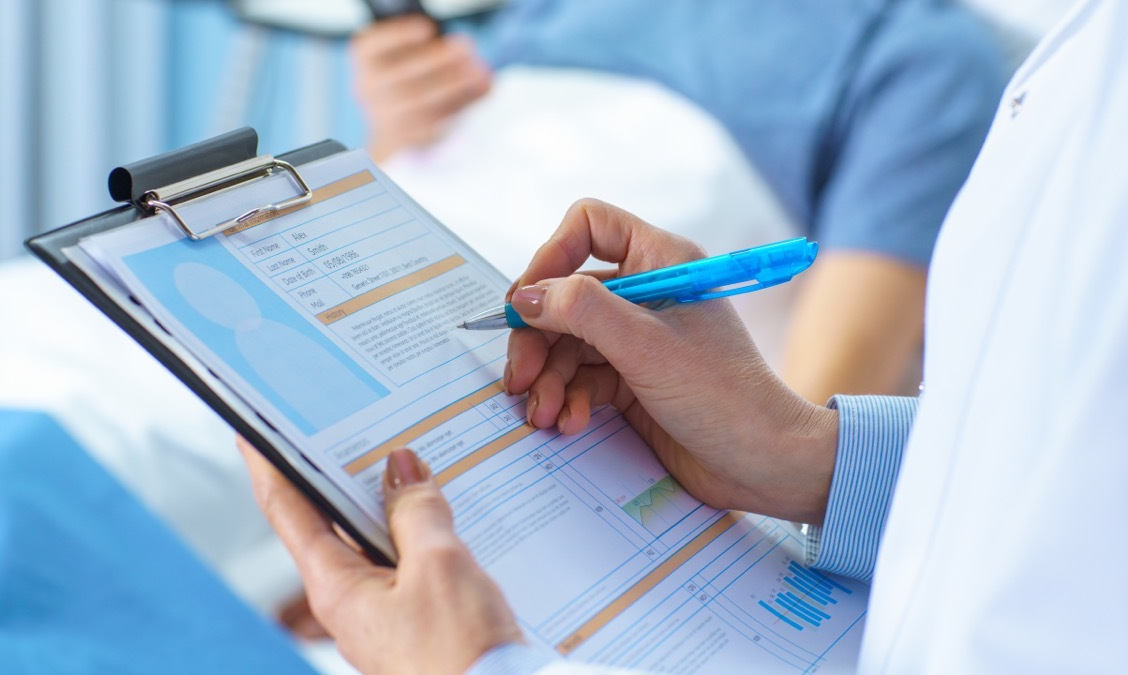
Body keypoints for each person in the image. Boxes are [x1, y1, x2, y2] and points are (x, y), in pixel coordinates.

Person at [239, 0, 1128, 671]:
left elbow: (1045, 593)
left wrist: (475, 664)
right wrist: (809, 454)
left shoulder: (920, 57)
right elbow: (1044, 475)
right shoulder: (529, 18)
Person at [349, 0, 1006, 406]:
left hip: (526, 404)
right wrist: (396, 134)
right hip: (363, 297)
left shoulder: (928, 62)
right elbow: (455, 166)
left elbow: (807, 419)